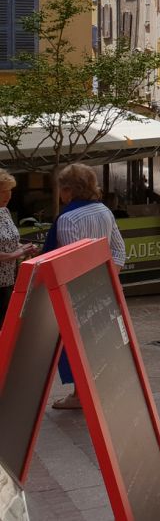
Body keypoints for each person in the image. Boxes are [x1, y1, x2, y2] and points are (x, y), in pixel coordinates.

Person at [45, 163, 127, 410]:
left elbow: (72, 261)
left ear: (69, 190)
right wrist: (108, 279)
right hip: (104, 290)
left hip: (79, 295)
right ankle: (96, 391)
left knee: (77, 345)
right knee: (99, 342)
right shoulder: (104, 211)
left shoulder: (67, 219)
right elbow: (119, 250)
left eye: (61, 188)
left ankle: (80, 395)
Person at [0, 169, 39, 328]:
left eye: (10, 190)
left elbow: (9, 240)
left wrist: (24, 247)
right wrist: (19, 253)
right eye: (3, 191)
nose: (8, 196)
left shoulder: (4, 211)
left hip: (8, 280)